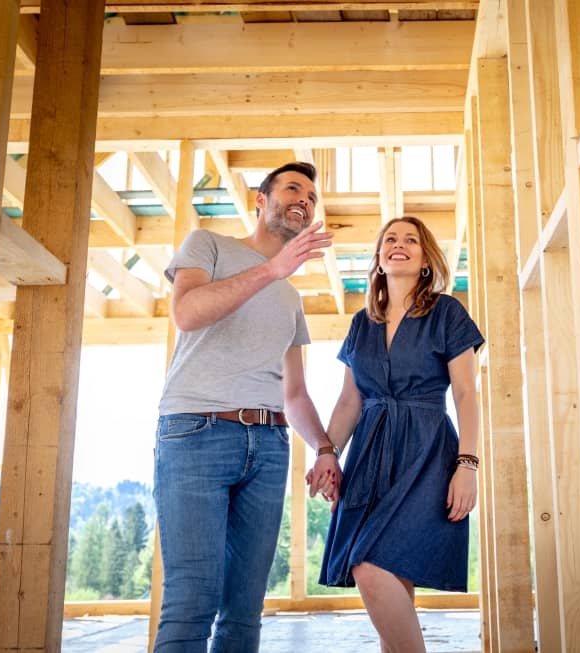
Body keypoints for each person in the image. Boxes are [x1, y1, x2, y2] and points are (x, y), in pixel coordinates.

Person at [153, 161, 342, 653]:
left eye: (312, 197)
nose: (305, 199)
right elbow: (186, 314)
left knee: (244, 611)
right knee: (191, 601)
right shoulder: (208, 245)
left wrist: (325, 448)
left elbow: (295, 393)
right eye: (293, 188)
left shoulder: (291, 297)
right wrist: (271, 270)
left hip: (270, 445)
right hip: (196, 433)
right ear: (262, 200)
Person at [313, 216, 484, 653]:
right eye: (390, 239)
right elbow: (349, 400)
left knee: (368, 565)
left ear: (426, 260)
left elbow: (465, 393)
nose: (399, 245)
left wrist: (468, 465)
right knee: (391, 577)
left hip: (427, 453)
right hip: (369, 455)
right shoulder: (360, 323)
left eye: (411, 240)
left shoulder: (446, 312)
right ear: (378, 258)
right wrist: (327, 453)